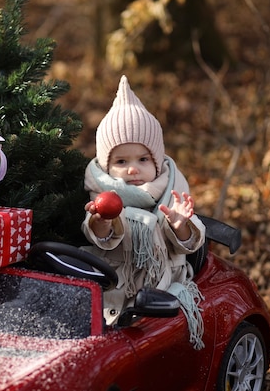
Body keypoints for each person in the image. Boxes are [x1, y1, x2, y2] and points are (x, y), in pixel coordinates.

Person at [82, 75, 206, 349]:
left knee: (158, 343)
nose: (133, 169)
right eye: (121, 161)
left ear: (157, 161)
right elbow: (100, 237)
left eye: (143, 159)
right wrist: (103, 221)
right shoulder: (104, 196)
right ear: (106, 167)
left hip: (162, 284)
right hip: (119, 286)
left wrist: (180, 224)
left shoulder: (172, 189)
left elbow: (190, 243)